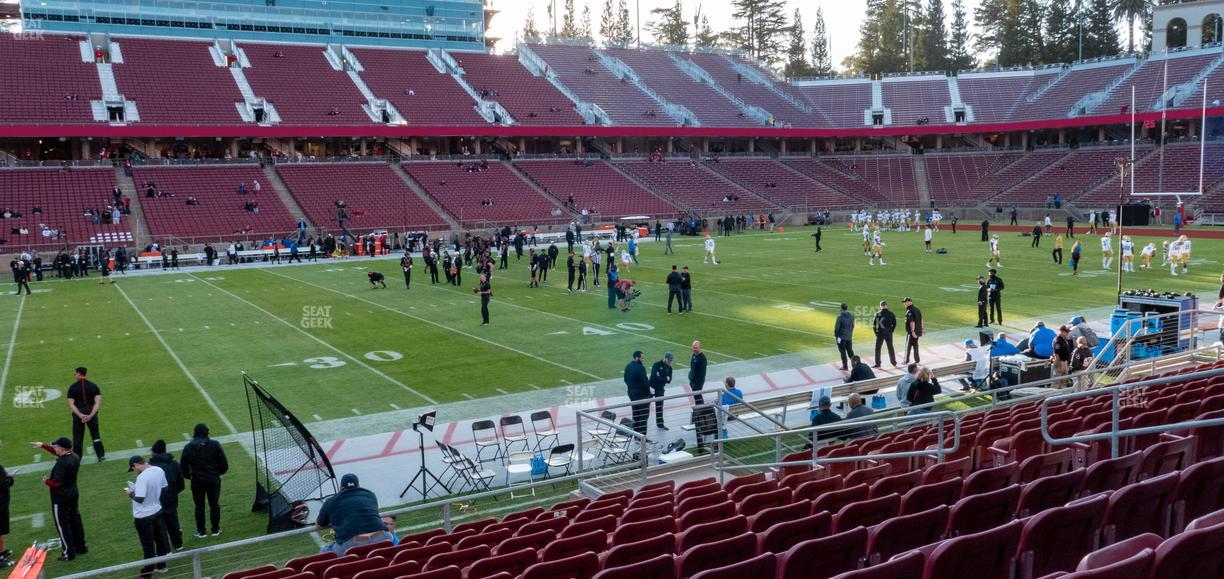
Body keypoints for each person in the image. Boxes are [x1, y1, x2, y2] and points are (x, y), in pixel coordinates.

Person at [33, 437, 87, 560]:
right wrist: (43, 445)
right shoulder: (74, 456)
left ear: (62, 449)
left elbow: (56, 483)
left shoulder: (62, 464)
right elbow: (57, 452)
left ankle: (69, 553)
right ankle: (81, 547)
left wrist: (46, 481)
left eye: (56, 446)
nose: (54, 448)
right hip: (73, 492)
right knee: (75, 520)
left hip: (61, 497)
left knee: (62, 525)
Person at [315, 474, 394, 556]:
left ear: (341, 487)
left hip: (351, 544)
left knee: (324, 551)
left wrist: (337, 522)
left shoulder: (331, 501)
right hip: (384, 537)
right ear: (358, 486)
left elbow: (319, 526)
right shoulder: (370, 495)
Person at [126, 455, 170, 578]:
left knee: (148, 545)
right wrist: (153, 498)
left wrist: (130, 493)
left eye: (133, 468)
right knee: (160, 540)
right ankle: (161, 566)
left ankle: (147, 573)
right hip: (157, 510)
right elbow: (165, 488)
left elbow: (139, 498)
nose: (134, 471)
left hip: (143, 516)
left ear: (135, 465)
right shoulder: (158, 470)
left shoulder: (142, 477)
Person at [181, 423, 228, 538]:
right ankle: (215, 530)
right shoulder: (214, 445)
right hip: (213, 479)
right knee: (214, 505)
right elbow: (224, 464)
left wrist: (189, 476)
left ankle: (201, 531)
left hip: (197, 480)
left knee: (199, 506)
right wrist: (217, 473)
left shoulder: (188, 447)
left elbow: (183, 465)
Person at [148, 440, 184, 550]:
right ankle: (178, 544)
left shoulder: (150, 467)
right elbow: (181, 484)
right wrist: (172, 493)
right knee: (173, 522)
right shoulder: (174, 463)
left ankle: (166, 549)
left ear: (154, 452)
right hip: (171, 499)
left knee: (160, 526)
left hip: (156, 501)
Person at [67, 367, 105, 462]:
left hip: (78, 416)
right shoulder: (94, 386)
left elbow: (71, 404)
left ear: (79, 374)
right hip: (92, 414)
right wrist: (91, 415)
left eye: (75, 374)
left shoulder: (72, 387)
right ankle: (100, 455)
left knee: (77, 437)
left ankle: (77, 458)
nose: (75, 375)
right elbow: (97, 403)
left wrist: (80, 415)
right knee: (95, 436)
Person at [624, 351, 650, 439]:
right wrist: (649, 394)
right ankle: (642, 437)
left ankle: (635, 435)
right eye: (641, 358)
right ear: (636, 357)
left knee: (636, 414)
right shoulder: (640, 368)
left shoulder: (628, 366)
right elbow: (645, 382)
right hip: (642, 395)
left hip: (632, 394)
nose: (643, 360)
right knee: (644, 415)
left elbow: (625, 379)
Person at [649, 353, 673, 430]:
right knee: (645, 406)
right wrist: (665, 378)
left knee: (659, 407)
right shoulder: (656, 364)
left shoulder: (670, 368)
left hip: (660, 389)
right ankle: (641, 424)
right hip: (651, 387)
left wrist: (660, 377)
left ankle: (660, 424)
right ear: (665, 358)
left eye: (671, 360)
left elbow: (669, 381)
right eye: (669, 360)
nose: (670, 362)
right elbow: (654, 376)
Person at [872, 301, 897, 368]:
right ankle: (893, 362)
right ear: (887, 305)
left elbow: (874, 325)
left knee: (878, 348)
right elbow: (894, 324)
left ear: (880, 306)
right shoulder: (891, 314)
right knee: (890, 347)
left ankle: (878, 363)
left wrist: (876, 333)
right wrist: (891, 331)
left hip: (880, 333)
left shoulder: (877, 314)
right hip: (889, 333)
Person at [834, 303, 855, 370]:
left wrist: (836, 335)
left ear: (841, 308)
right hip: (849, 337)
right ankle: (855, 365)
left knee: (843, 352)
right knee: (850, 352)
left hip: (841, 338)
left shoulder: (840, 317)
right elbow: (853, 326)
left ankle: (845, 366)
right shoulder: (851, 316)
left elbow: (836, 328)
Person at [903, 298, 924, 364]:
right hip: (917, 331)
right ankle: (917, 360)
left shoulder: (910, 311)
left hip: (911, 332)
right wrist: (922, 328)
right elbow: (921, 319)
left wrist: (912, 331)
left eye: (906, 302)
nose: (904, 304)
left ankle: (906, 360)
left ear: (910, 302)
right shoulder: (917, 309)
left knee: (908, 346)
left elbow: (912, 322)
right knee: (915, 345)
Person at [689, 341, 708, 405]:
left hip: (698, 382)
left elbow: (703, 373)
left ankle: (701, 410)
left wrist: (697, 383)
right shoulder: (694, 355)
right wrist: (690, 376)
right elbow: (692, 367)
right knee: (696, 396)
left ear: (700, 348)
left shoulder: (702, 358)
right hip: (693, 381)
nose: (694, 349)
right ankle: (699, 409)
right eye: (693, 347)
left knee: (697, 396)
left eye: (696, 348)